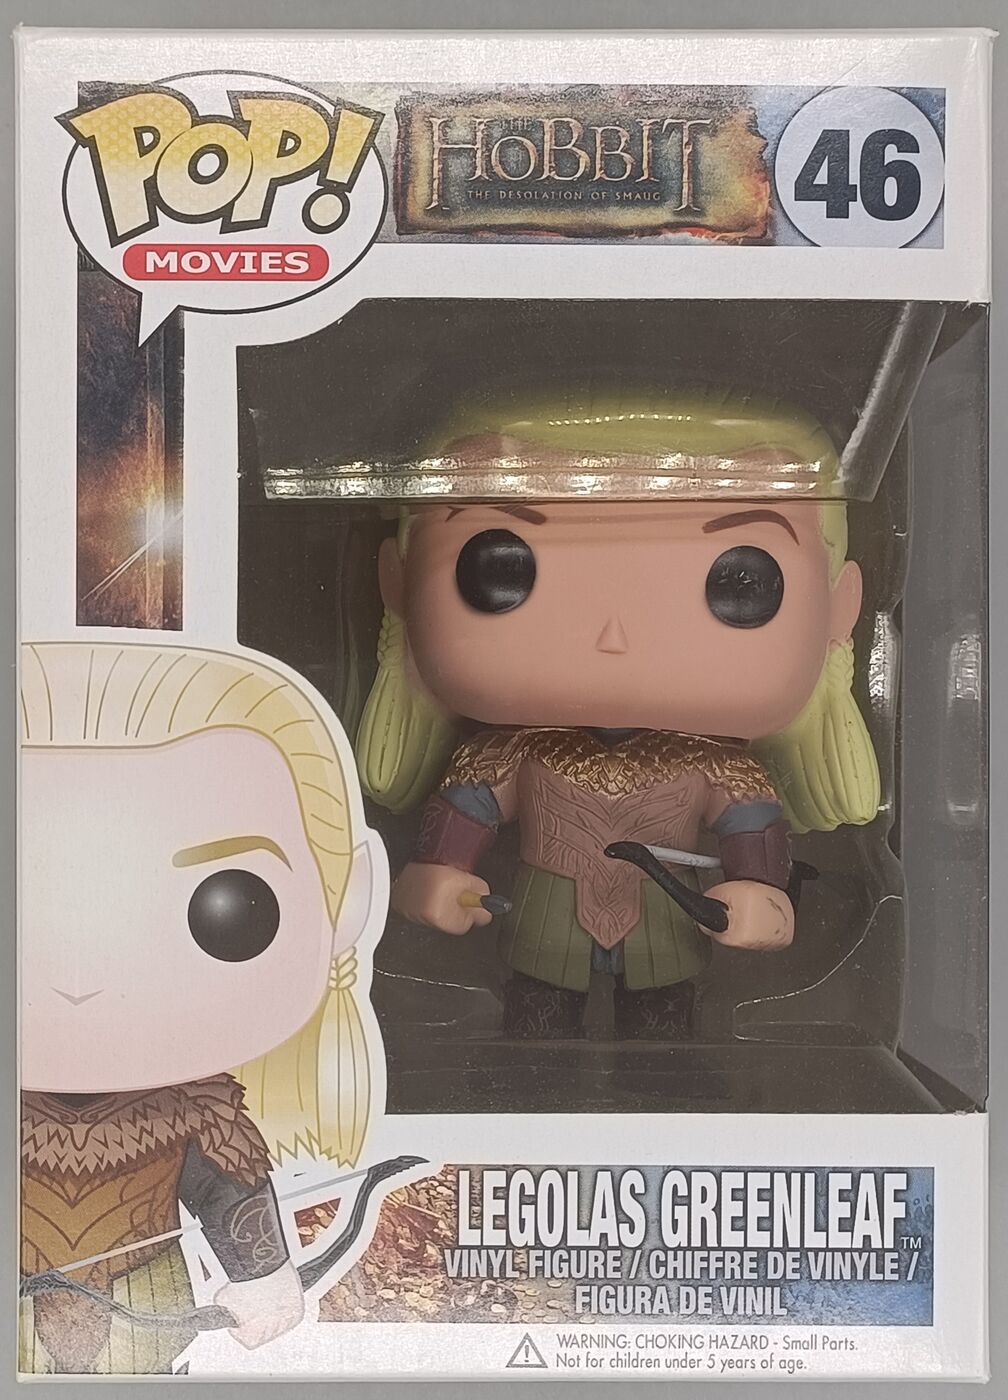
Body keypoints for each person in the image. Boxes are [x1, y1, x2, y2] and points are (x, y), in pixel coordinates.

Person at [356, 389, 880, 1038]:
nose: (614, 634)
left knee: (664, 1045)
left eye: (740, 582)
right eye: (500, 568)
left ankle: (661, 1092)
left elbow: (752, 832)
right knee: (535, 1037)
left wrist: (765, 896)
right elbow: (464, 815)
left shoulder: (716, 766)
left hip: (668, 934)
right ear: (399, 583)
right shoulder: (509, 753)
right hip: (544, 934)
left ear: (838, 607)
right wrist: (432, 877)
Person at [19, 640, 381, 1373]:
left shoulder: (194, 1110)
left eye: (229, 908)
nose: (80, 979)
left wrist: (264, 1276)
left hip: (149, 1316)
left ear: (346, 900)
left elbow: (228, 1191)